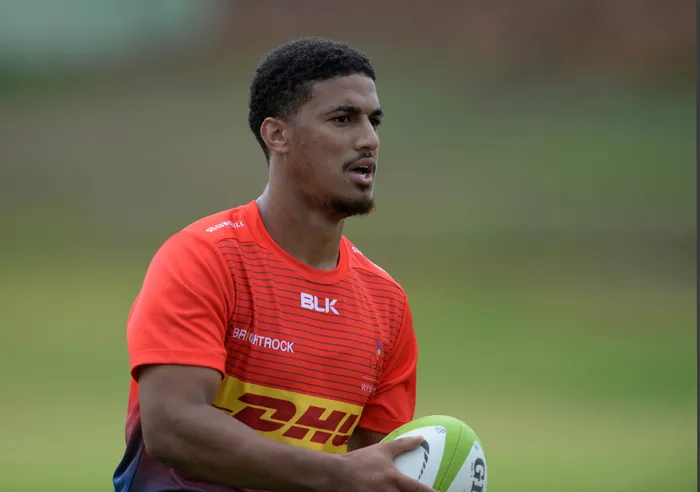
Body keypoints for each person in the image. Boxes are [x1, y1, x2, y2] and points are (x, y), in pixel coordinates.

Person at [112, 36, 433, 492]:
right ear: (277, 135)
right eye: (343, 119)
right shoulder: (204, 258)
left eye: (373, 121)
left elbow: (372, 471)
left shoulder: (386, 304)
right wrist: (335, 474)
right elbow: (172, 427)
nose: (369, 139)